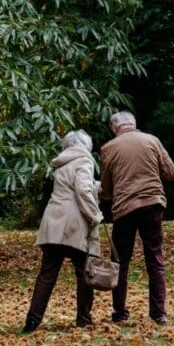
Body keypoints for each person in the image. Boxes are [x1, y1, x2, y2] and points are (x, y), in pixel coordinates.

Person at [99, 111, 174, 325]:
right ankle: (159, 312)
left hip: (124, 209)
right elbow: (171, 172)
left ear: (114, 129)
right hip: (152, 205)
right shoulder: (152, 140)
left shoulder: (108, 148)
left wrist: (108, 193)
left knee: (120, 261)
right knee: (155, 259)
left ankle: (120, 312)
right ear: (134, 124)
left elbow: (106, 188)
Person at [23, 130, 104, 332]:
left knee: (46, 275)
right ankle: (84, 319)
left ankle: (32, 320)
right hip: (73, 224)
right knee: (85, 273)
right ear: (87, 145)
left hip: (53, 221)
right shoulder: (84, 161)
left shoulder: (61, 163)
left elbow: (72, 187)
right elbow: (83, 191)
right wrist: (95, 216)